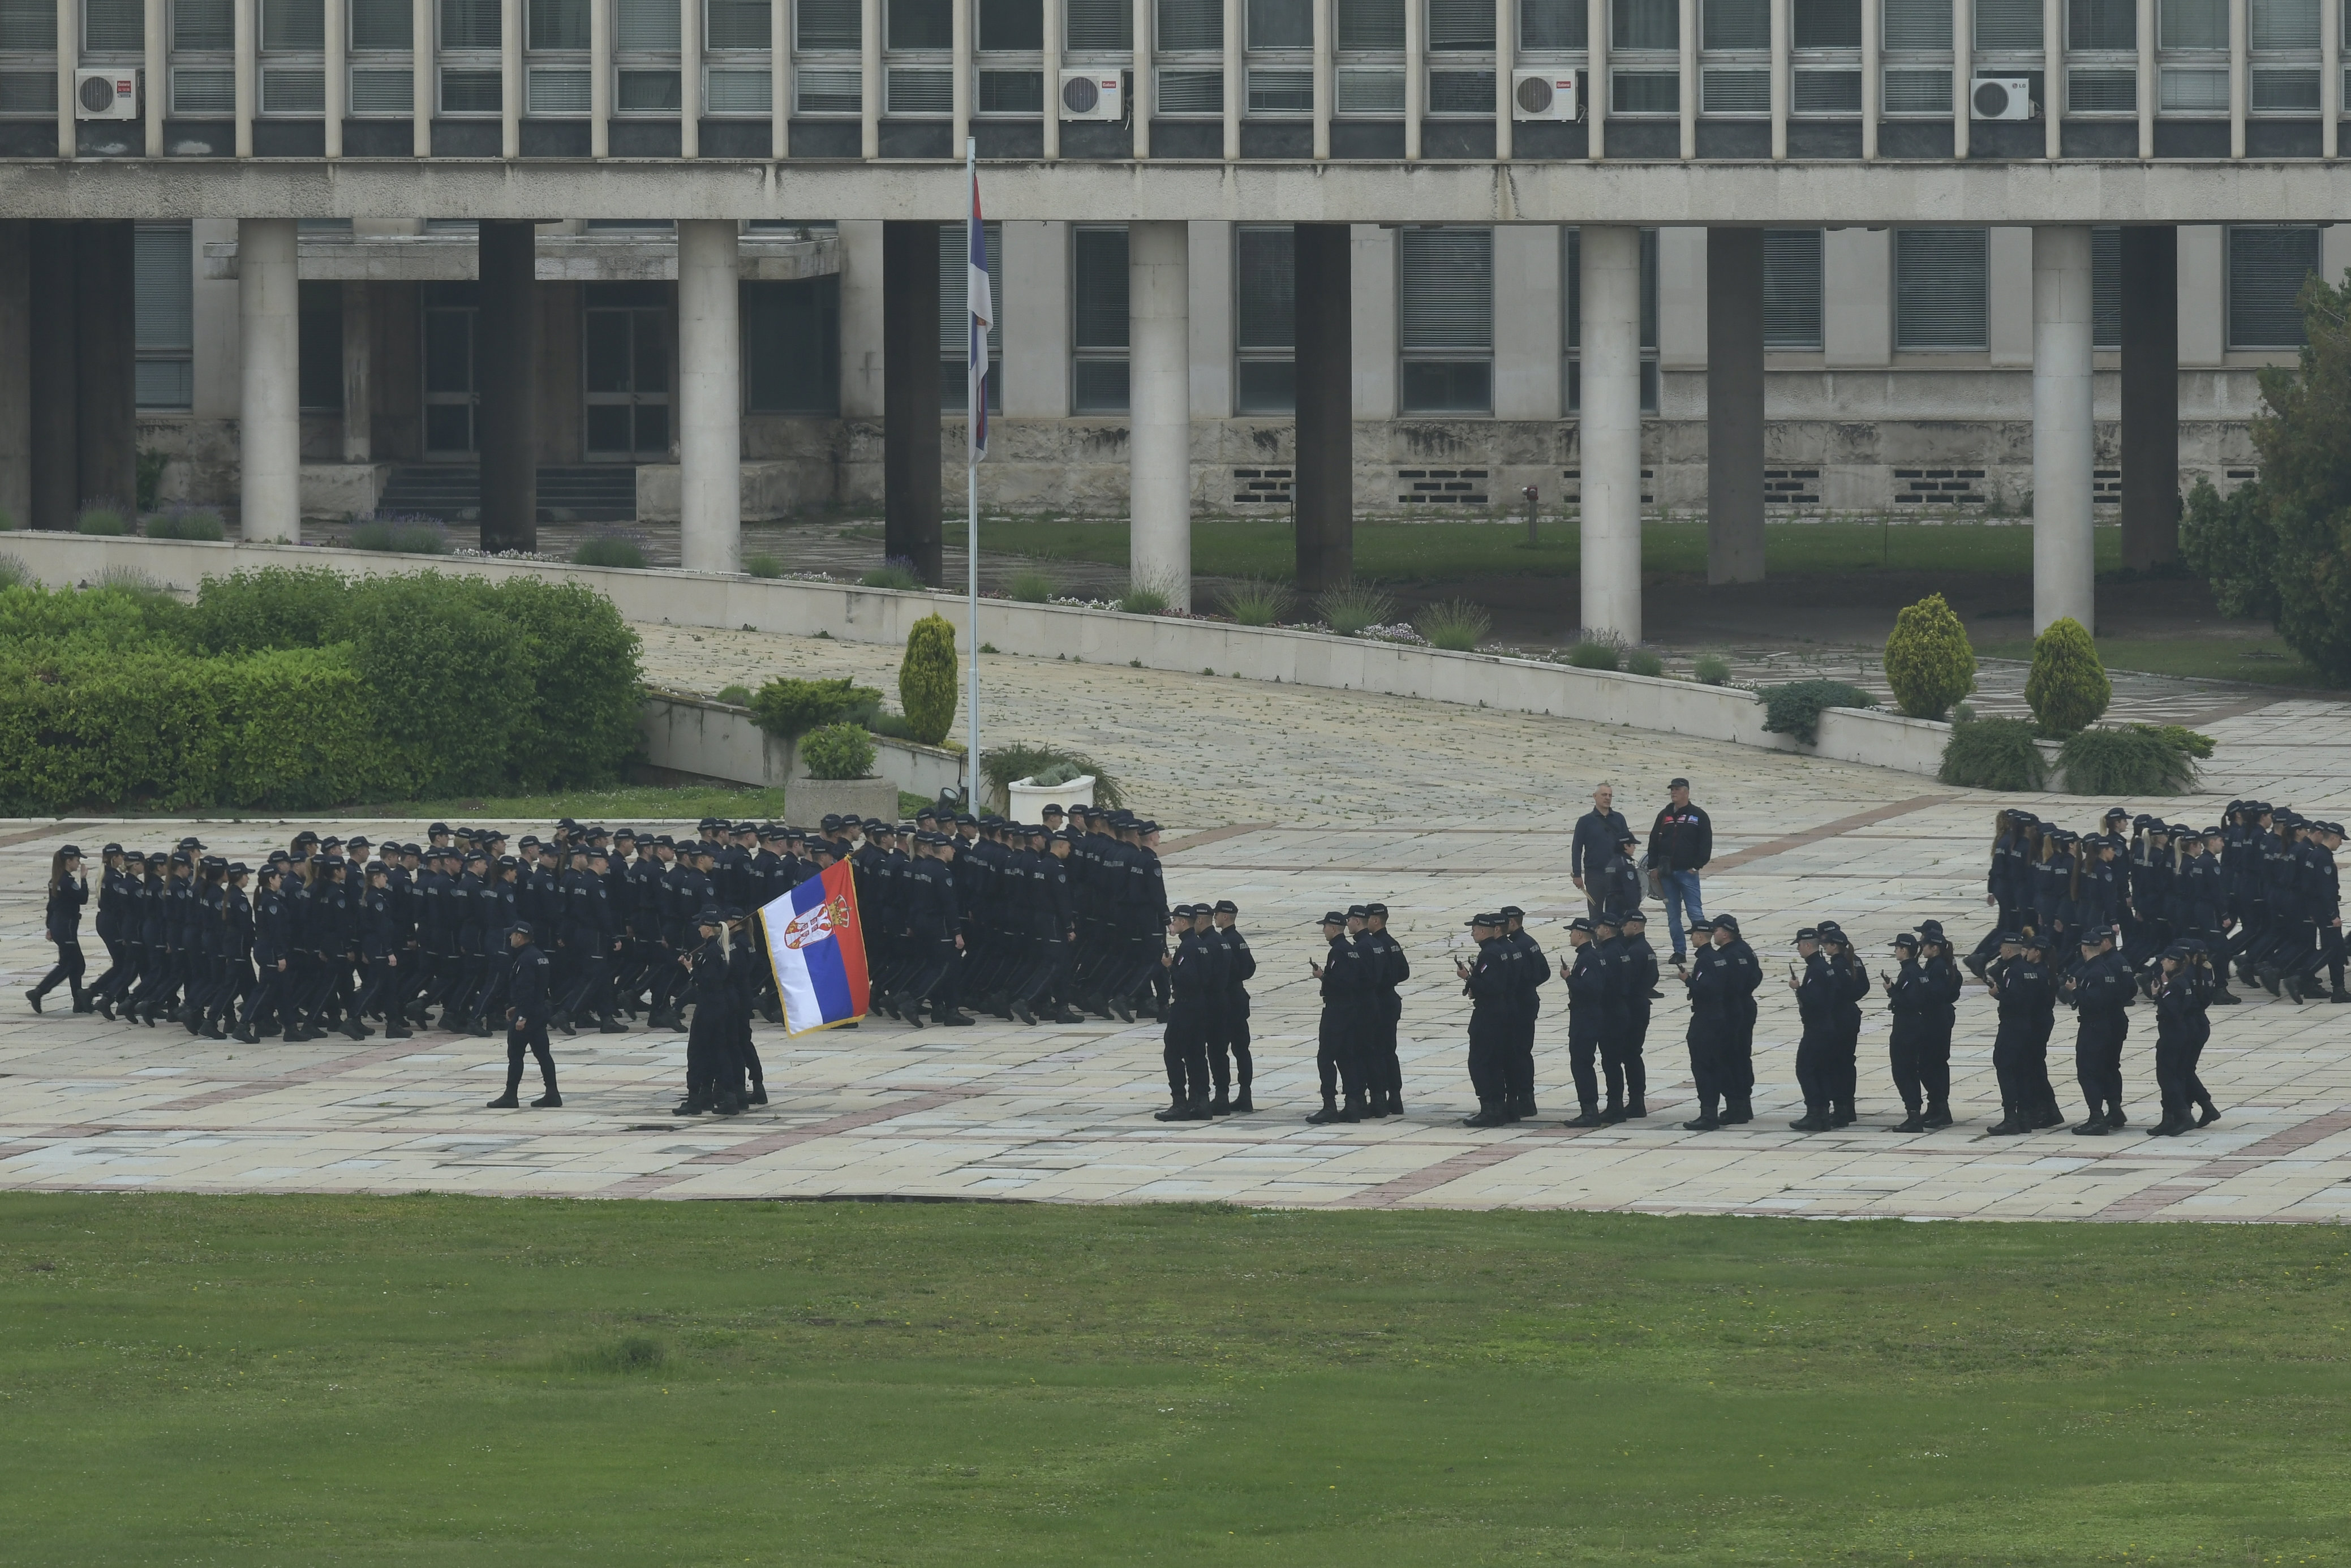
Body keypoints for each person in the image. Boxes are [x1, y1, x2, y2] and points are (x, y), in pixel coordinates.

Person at [2063, 924, 2134, 1134]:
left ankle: (2097, 1117)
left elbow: (2096, 1000)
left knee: (2090, 1070)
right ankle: (2113, 1109)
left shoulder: (2104, 967)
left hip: (2099, 1024)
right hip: (2110, 1022)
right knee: (2108, 1067)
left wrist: (2076, 991)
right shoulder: (2104, 965)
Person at [2144, 940, 2218, 1136]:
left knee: (2174, 1074)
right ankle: (2178, 1115)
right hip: (2196, 1024)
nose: (2162, 963)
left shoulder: (2182, 980)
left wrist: (2159, 995)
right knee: (2182, 1072)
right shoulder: (2204, 972)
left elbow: (2174, 1010)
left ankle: (2183, 1114)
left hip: (2183, 1029)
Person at [489, 921, 560, 1110]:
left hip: (527, 1014)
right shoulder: (540, 956)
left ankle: (510, 1095)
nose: (510, 938)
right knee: (543, 1054)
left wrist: (522, 1017)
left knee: (515, 1055)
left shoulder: (525, 959)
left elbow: (526, 989)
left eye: (512, 936)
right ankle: (552, 1093)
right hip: (538, 1011)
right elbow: (539, 989)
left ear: (520, 937)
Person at [1308, 910, 1368, 1124]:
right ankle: (1353, 1105)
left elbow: (1341, 983)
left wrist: (1322, 976)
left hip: (1337, 1011)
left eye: (1325, 927)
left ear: (1333, 928)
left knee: (1326, 1058)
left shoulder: (1338, 951)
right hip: (1353, 1010)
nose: (1323, 930)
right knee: (1347, 1058)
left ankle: (1329, 1105)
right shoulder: (1352, 950)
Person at [1155, 906, 1215, 1121]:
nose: (1173, 924)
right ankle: (1200, 1102)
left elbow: (1187, 979)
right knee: (1196, 1054)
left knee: (1173, 1053)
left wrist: (1170, 967)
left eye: (1175, 920)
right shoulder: (1201, 946)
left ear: (1183, 922)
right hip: (1201, 1006)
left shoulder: (1187, 948)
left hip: (1186, 1007)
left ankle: (1180, 1102)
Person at [1647, 777, 1713, 965]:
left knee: (1695, 913)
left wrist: (1697, 865)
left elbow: (1705, 843)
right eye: (1672, 789)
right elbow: (1654, 841)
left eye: (1677, 789)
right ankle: (1679, 951)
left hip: (1688, 873)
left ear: (1687, 792)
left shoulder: (1698, 815)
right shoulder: (1664, 815)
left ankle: (1704, 949)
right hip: (1667, 874)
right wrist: (1653, 867)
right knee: (1673, 915)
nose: (1673, 792)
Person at [1457, 913, 1513, 1128]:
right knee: (1494, 1062)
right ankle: (1498, 1108)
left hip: (1489, 1014)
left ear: (1483, 931)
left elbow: (1491, 987)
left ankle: (1489, 1108)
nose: (1472, 933)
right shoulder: (1500, 951)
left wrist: (1468, 978)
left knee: (1480, 1062)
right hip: (1501, 1011)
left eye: (1474, 929)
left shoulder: (1489, 954)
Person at [1356, 903, 1407, 1117]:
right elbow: (1404, 972)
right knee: (1389, 1051)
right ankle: (1395, 1098)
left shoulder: (1375, 944)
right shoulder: (1392, 942)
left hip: (1379, 1002)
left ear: (1376, 920)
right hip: (1391, 1000)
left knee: (1376, 1051)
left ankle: (1380, 1098)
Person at [1881, 933, 1935, 1132]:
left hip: (1906, 1027)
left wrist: (1891, 991)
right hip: (1918, 1025)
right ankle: (1914, 1112)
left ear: (1904, 950)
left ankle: (1913, 1114)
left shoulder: (1909, 973)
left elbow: (1908, 1001)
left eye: (1897, 948)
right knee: (1911, 1069)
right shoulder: (1919, 972)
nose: (1895, 951)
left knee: (1903, 1070)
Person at [1207, 900, 1257, 1112]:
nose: (1215, 918)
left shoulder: (1224, 941)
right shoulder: (1238, 939)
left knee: (1218, 1050)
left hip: (1227, 1000)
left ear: (1225, 916)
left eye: (1217, 914)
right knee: (1241, 1049)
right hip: (1239, 998)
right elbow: (1250, 967)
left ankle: (1222, 1096)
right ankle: (1245, 1094)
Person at [29, 846, 91, 1015]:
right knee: (69, 964)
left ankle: (79, 1002)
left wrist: (49, 926)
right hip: (66, 926)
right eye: (77, 860)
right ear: (68, 861)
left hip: (59, 925)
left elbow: (51, 906)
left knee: (77, 964)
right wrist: (84, 879)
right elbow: (83, 898)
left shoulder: (55, 880)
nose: (79, 864)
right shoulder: (68, 882)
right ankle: (39, 992)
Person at [1613, 908, 1657, 1118]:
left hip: (1633, 1007)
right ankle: (1636, 1100)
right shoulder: (1645, 948)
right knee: (1633, 1054)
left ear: (1636, 926)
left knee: (1629, 1055)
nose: (1622, 928)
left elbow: (1626, 980)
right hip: (1641, 1003)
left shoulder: (1635, 951)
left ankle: (1635, 1101)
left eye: (1625, 925)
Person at [1571, 783, 1631, 920]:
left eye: (1610, 795)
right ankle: (1597, 942)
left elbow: (1627, 844)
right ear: (1595, 796)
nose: (1607, 798)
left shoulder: (1619, 819)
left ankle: (1615, 941)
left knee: (1618, 912)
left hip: (1616, 874)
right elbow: (1577, 848)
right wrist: (1577, 874)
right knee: (1595, 913)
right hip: (1595, 874)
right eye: (1604, 795)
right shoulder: (1585, 821)